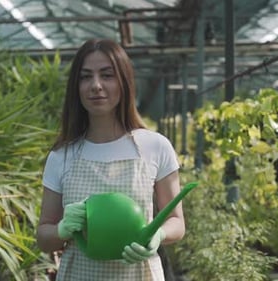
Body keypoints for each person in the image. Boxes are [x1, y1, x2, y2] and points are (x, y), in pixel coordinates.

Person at [36, 38, 185, 281]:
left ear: (124, 82)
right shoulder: (62, 156)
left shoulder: (154, 146)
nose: (96, 85)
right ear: (76, 87)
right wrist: (63, 230)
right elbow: (43, 236)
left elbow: (176, 221)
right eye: (85, 77)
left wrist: (157, 235)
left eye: (107, 75)